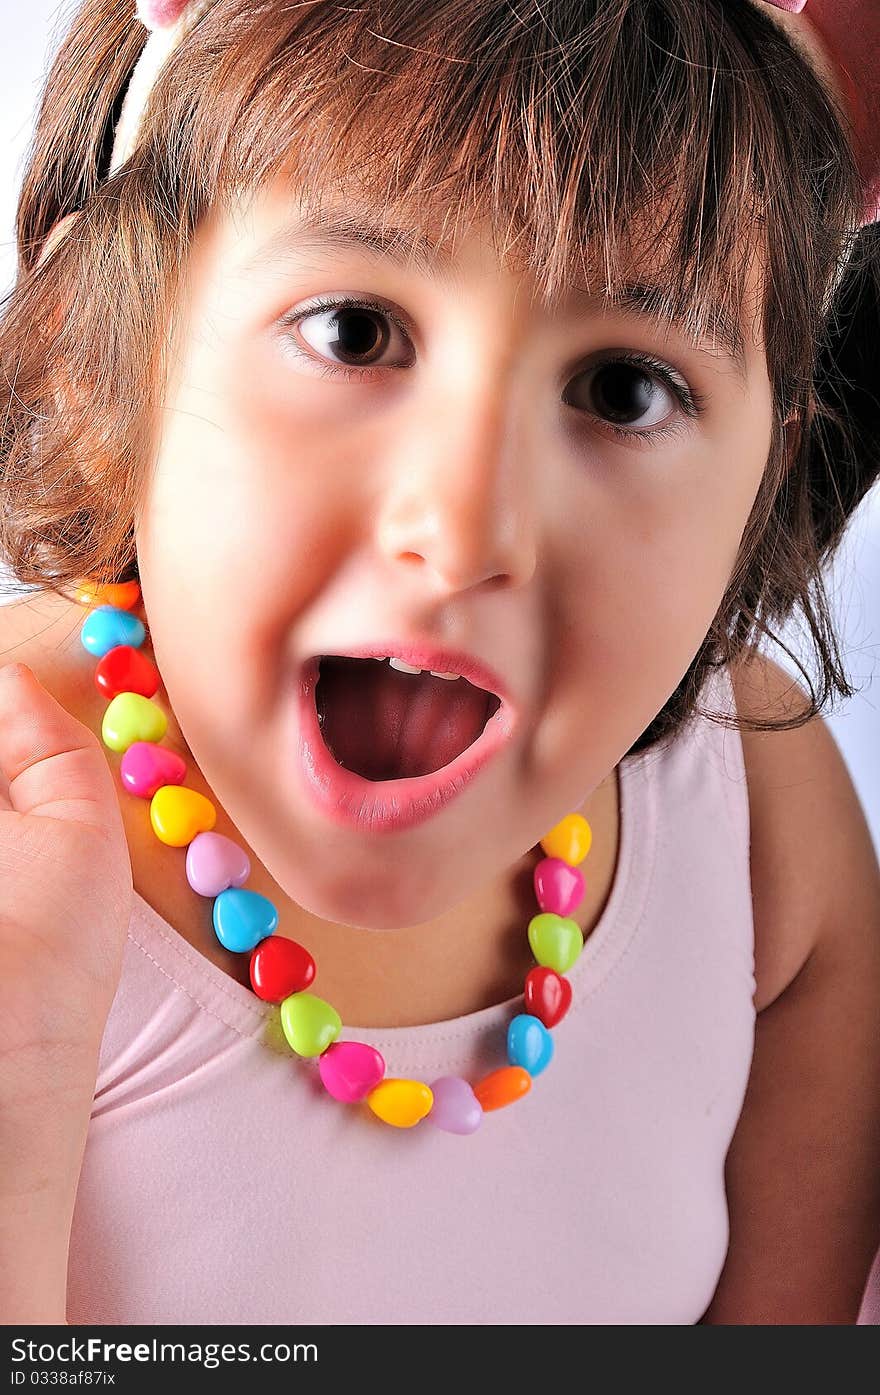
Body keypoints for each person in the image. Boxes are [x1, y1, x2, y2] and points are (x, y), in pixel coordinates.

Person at [1, 0, 879, 1326]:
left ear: (766, 479)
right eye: (354, 332)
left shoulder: (761, 826)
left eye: (625, 390)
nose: (468, 530)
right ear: (90, 354)